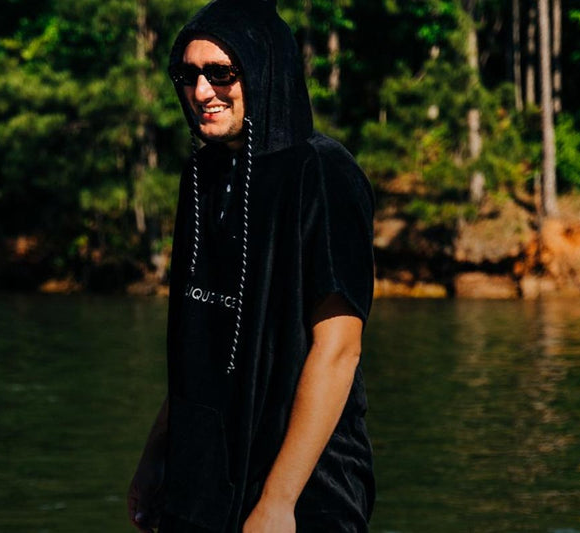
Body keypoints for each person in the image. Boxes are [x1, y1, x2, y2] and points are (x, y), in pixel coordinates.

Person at [127, 0, 377, 531]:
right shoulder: (202, 174)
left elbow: (338, 349)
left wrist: (280, 501)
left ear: (263, 72)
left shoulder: (322, 174)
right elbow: (202, 341)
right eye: (188, 74)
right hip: (201, 485)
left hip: (306, 488)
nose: (201, 92)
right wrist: (156, 456)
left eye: (221, 73)